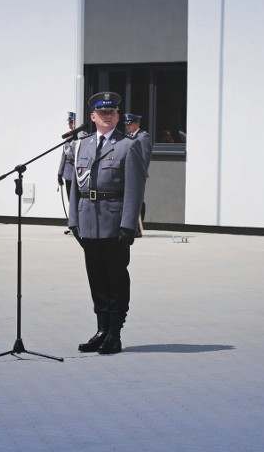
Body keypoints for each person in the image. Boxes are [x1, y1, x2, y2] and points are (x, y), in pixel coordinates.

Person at [68, 92, 147, 355]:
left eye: (112, 113)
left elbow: (135, 189)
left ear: (118, 116)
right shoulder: (83, 145)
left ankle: (115, 333)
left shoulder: (129, 145)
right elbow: (76, 186)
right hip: (88, 220)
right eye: (102, 113)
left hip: (114, 222)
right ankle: (101, 329)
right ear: (93, 117)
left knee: (116, 276)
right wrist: (73, 219)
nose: (108, 117)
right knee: (96, 277)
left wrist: (128, 225)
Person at [124, 112, 152, 235]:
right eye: (126, 124)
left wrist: (140, 174)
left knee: (138, 200)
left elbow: (145, 157)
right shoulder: (129, 137)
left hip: (137, 175)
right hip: (128, 174)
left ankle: (138, 228)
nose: (128, 126)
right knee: (130, 200)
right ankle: (133, 226)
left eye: (130, 124)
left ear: (137, 124)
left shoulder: (143, 137)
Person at [58, 112, 78, 233]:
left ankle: (78, 224)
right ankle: (72, 225)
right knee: (71, 200)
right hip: (68, 172)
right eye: (69, 122)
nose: (70, 124)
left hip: (78, 173)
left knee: (78, 200)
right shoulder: (67, 137)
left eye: (72, 122)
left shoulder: (82, 135)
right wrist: (59, 173)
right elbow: (63, 156)